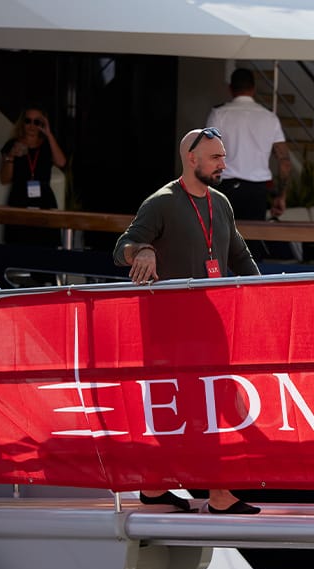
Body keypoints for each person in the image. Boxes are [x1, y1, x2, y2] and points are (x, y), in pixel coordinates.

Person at [113, 127, 261, 515]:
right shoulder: (161, 203)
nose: (223, 164)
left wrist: (267, 295)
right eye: (215, 158)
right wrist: (143, 249)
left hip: (213, 324)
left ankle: (166, 489)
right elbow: (120, 248)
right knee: (185, 409)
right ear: (191, 159)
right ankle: (205, 493)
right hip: (171, 330)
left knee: (209, 405)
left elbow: (239, 256)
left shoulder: (221, 203)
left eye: (223, 157)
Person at [206, 67, 292, 258]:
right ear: (253, 89)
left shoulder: (219, 114)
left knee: (222, 245)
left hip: (226, 188)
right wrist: (281, 196)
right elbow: (284, 161)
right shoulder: (270, 117)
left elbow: (206, 153)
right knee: (251, 249)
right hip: (257, 191)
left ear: (231, 89)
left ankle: (220, 287)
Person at [0, 106, 67, 209]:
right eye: (28, 121)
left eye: (36, 122)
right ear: (22, 122)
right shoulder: (12, 144)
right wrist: (11, 156)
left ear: (42, 124)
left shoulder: (47, 145)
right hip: (19, 200)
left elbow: (61, 162)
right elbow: (4, 179)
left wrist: (49, 134)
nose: (32, 126)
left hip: (44, 201)